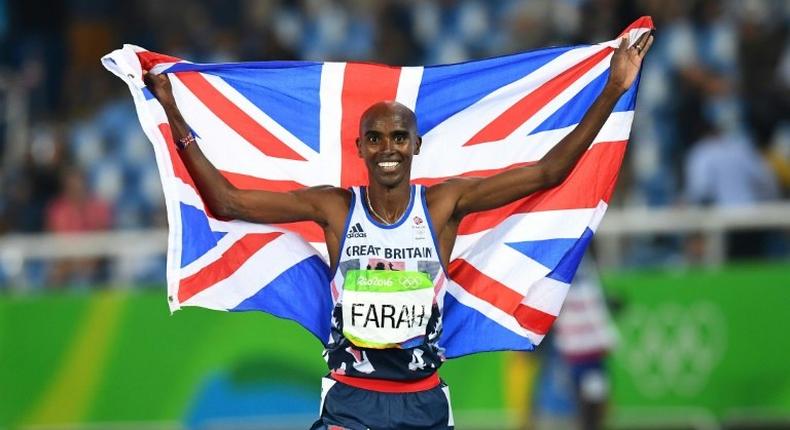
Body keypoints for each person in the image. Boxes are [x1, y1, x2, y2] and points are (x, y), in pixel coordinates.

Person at [143, 33, 653, 430]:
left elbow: (547, 173)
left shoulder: (444, 205)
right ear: (360, 148)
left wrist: (612, 88)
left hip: (423, 402)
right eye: (376, 138)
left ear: (416, 145)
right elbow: (226, 201)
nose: (388, 147)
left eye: (399, 137)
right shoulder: (335, 209)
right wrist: (171, 107)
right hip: (350, 400)